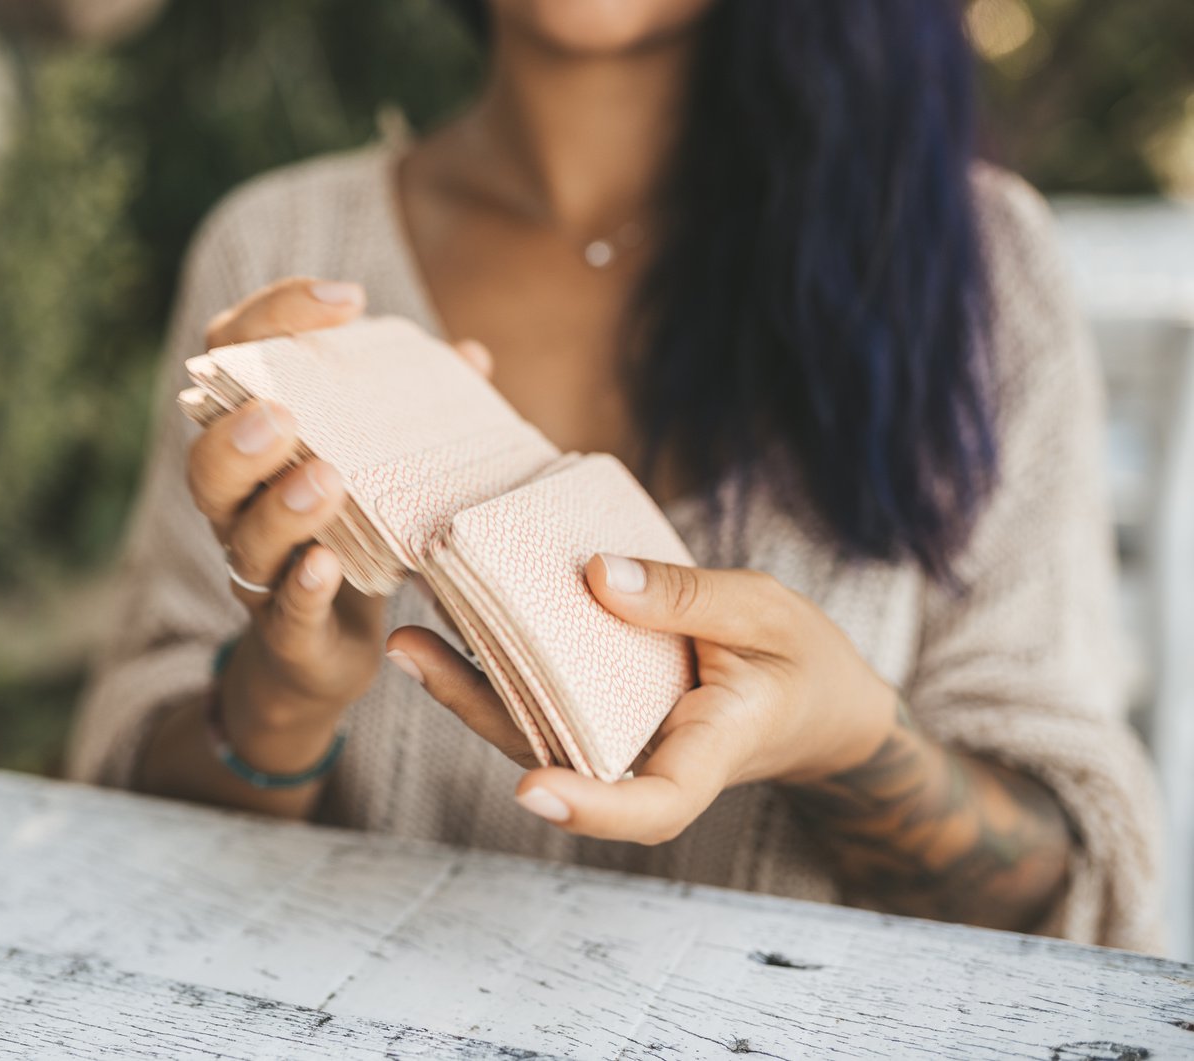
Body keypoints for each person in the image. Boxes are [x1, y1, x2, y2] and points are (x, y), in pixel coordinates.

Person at [67, 0, 1163, 951]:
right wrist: (283, 698)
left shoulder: (972, 268)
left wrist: (846, 742)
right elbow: (128, 837)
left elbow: (1055, 889)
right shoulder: (282, 247)